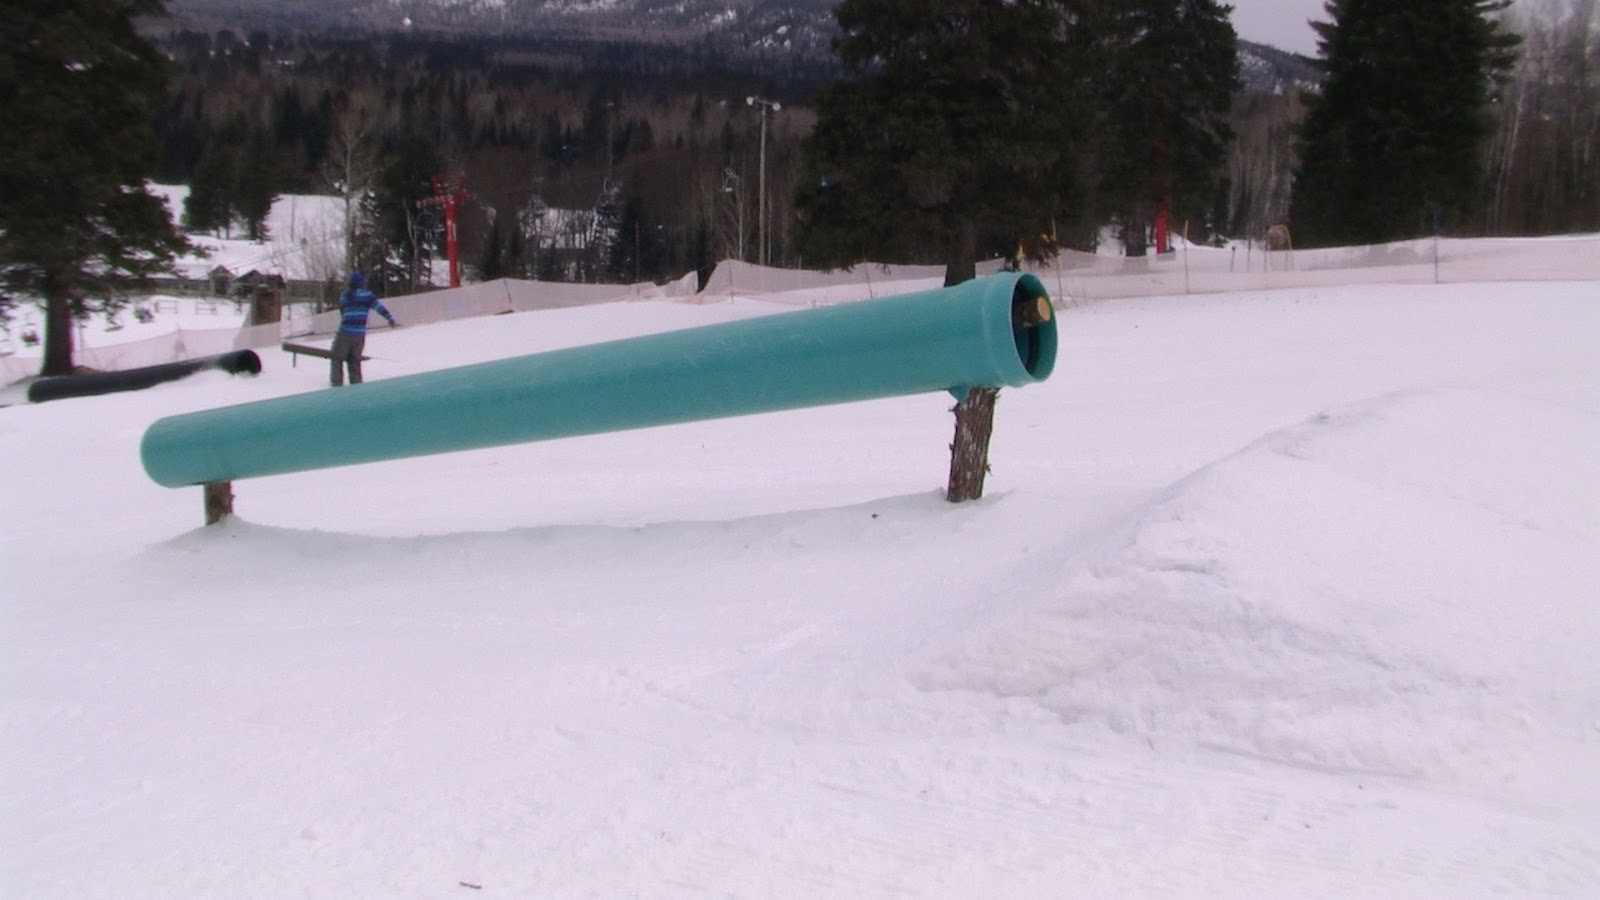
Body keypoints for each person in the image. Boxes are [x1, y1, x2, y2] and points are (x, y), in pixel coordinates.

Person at [330, 271, 397, 386]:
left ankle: (337, 385)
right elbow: (379, 308)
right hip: (360, 334)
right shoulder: (367, 296)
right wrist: (390, 319)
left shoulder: (345, 296)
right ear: (362, 283)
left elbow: (343, 313)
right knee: (355, 361)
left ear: (350, 283)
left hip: (345, 332)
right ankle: (356, 386)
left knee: (337, 358)